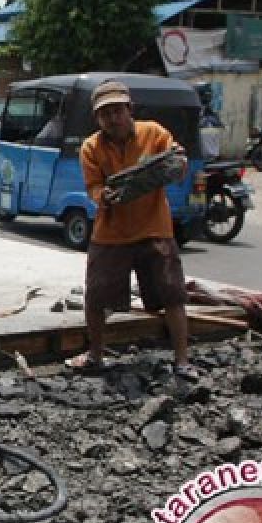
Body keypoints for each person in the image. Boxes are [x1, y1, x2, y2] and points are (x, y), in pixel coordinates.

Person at [65, 79, 196, 379]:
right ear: (97, 118)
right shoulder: (91, 147)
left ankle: (183, 361)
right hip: (110, 233)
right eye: (105, 113)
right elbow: (93, 187)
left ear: (129, 109)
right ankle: (95, 355)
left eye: (117, 111)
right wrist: (104, 196)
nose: (112, 118)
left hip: (155, 229)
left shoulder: (155, 134)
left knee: (173, 295)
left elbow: (177, 166)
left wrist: (180, 160)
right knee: (96, 297)